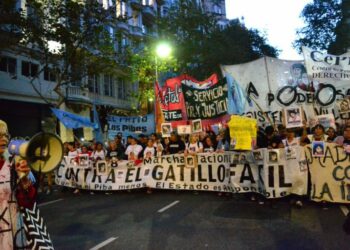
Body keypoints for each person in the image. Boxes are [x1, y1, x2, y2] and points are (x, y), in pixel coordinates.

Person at [0, 120, 53, 249]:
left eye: (5, 135)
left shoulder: (15, 162)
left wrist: (24, 179)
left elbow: (29, 202)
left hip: (14, 228)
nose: (3, 140)